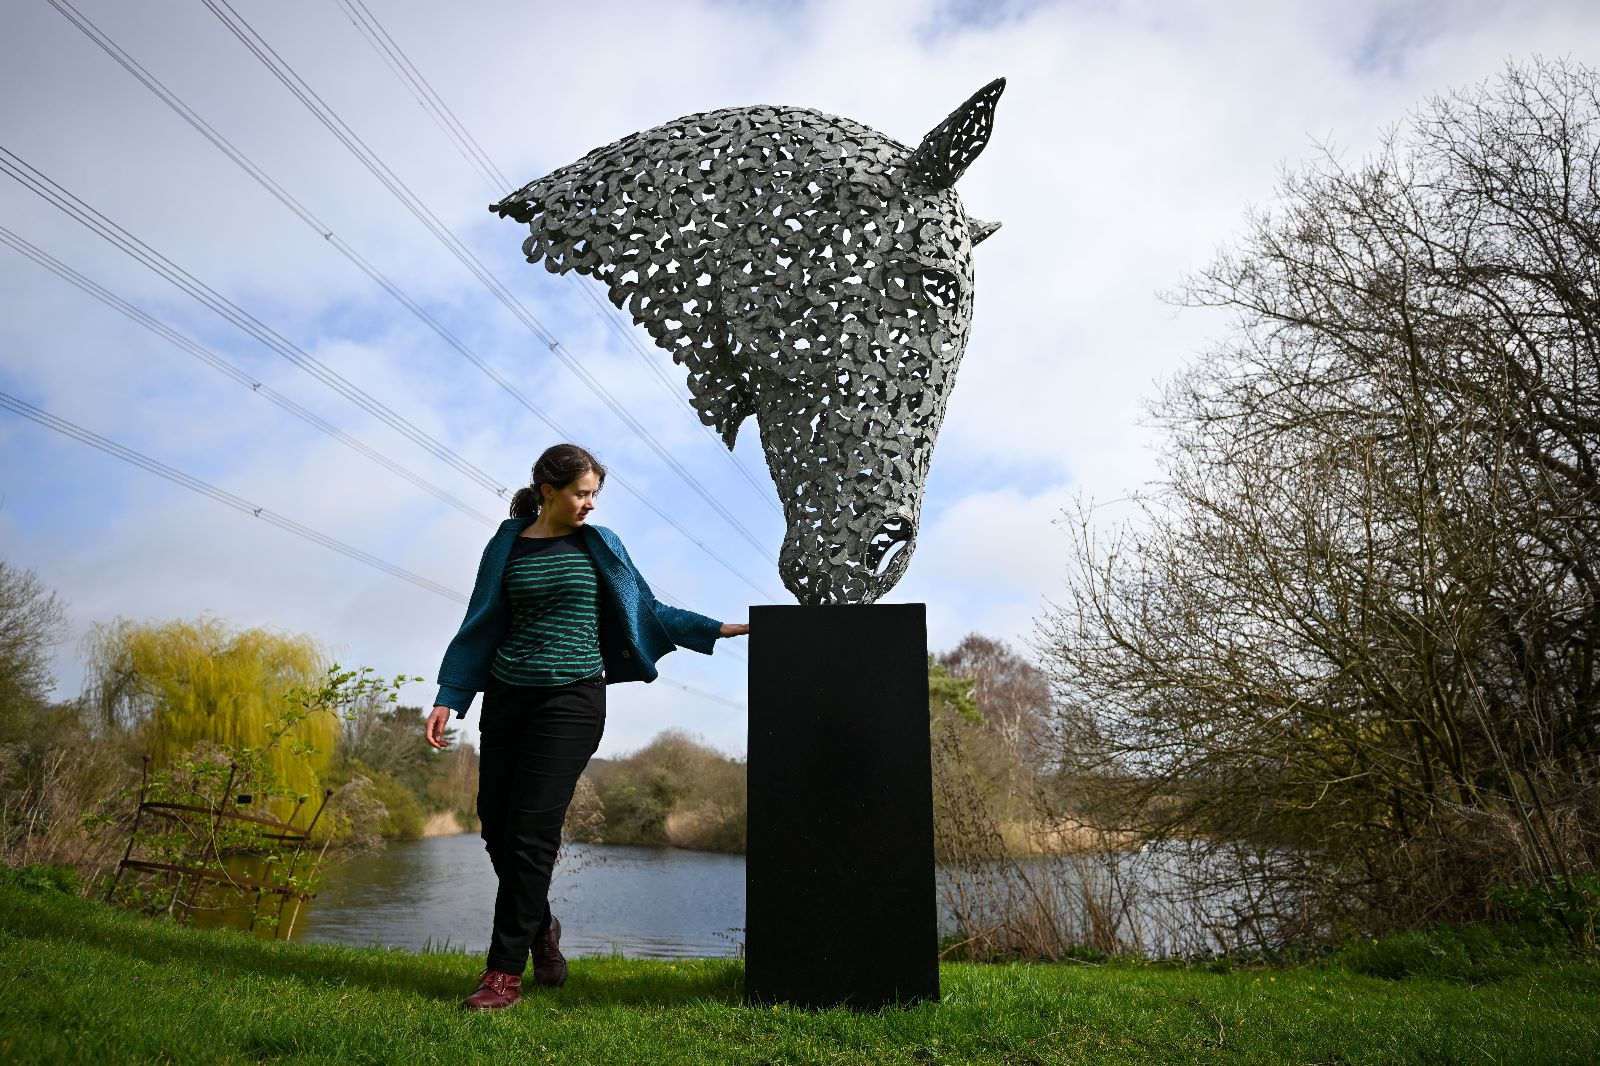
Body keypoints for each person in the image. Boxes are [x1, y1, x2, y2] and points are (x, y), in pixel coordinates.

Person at [424, 443, 750, 1012]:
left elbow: (647, 610)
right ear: (548, 491)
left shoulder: (598, 544)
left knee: (531, 832)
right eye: (581, 493)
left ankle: (502, 975)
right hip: (507, 696)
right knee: (496, 827)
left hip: (572, 699)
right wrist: (451, 697)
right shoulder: (506, 545)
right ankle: (542, 928)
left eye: (595, 494)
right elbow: (479, 621)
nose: (590, 504)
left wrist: (720, 629)